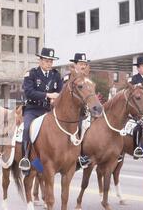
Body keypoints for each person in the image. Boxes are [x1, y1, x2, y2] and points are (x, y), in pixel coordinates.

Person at [18, 47, 62, 175]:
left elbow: (60, 92)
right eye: (47, 61)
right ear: (40, 61)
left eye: (51, 61)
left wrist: (56, 99)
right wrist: (48, 95)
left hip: (49, 110)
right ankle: (25, 158)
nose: (49, 64)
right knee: (27, 128)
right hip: (33, 109)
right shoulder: (31, 74)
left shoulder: (56, 75)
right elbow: (29, 92)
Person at [62, 53, 94, 169]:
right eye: (81, 64)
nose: (83, 66)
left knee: (93, 126)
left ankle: (86, 154)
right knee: (80, 125)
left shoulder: (87, 79)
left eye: (85, 64)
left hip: (83, 110)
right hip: (69, 111)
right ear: (75, 64)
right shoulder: (68, 77)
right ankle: (78, 154)